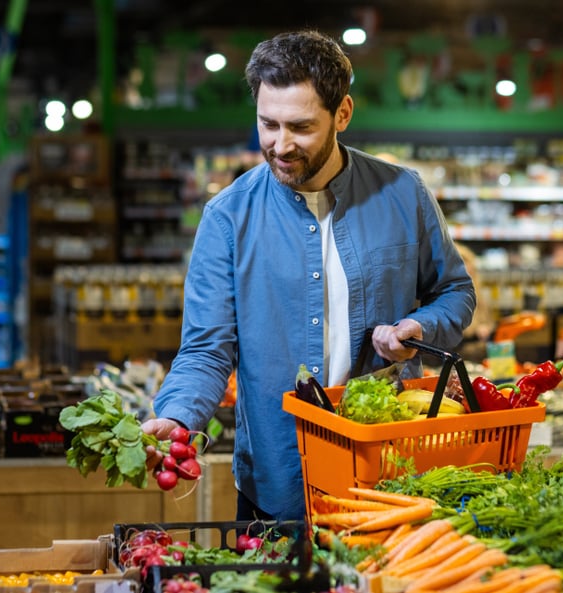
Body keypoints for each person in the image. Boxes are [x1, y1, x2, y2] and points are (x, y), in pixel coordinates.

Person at [141, 29, 476, 522]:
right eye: (268, 124)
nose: (280, 145)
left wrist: (419, 329)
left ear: (343, 114)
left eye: (300, 127)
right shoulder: (227, 218)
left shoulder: (404, 194)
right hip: (277, 485)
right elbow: (206, 348)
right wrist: (177, 416)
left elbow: (455, 291)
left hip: (391, 479)